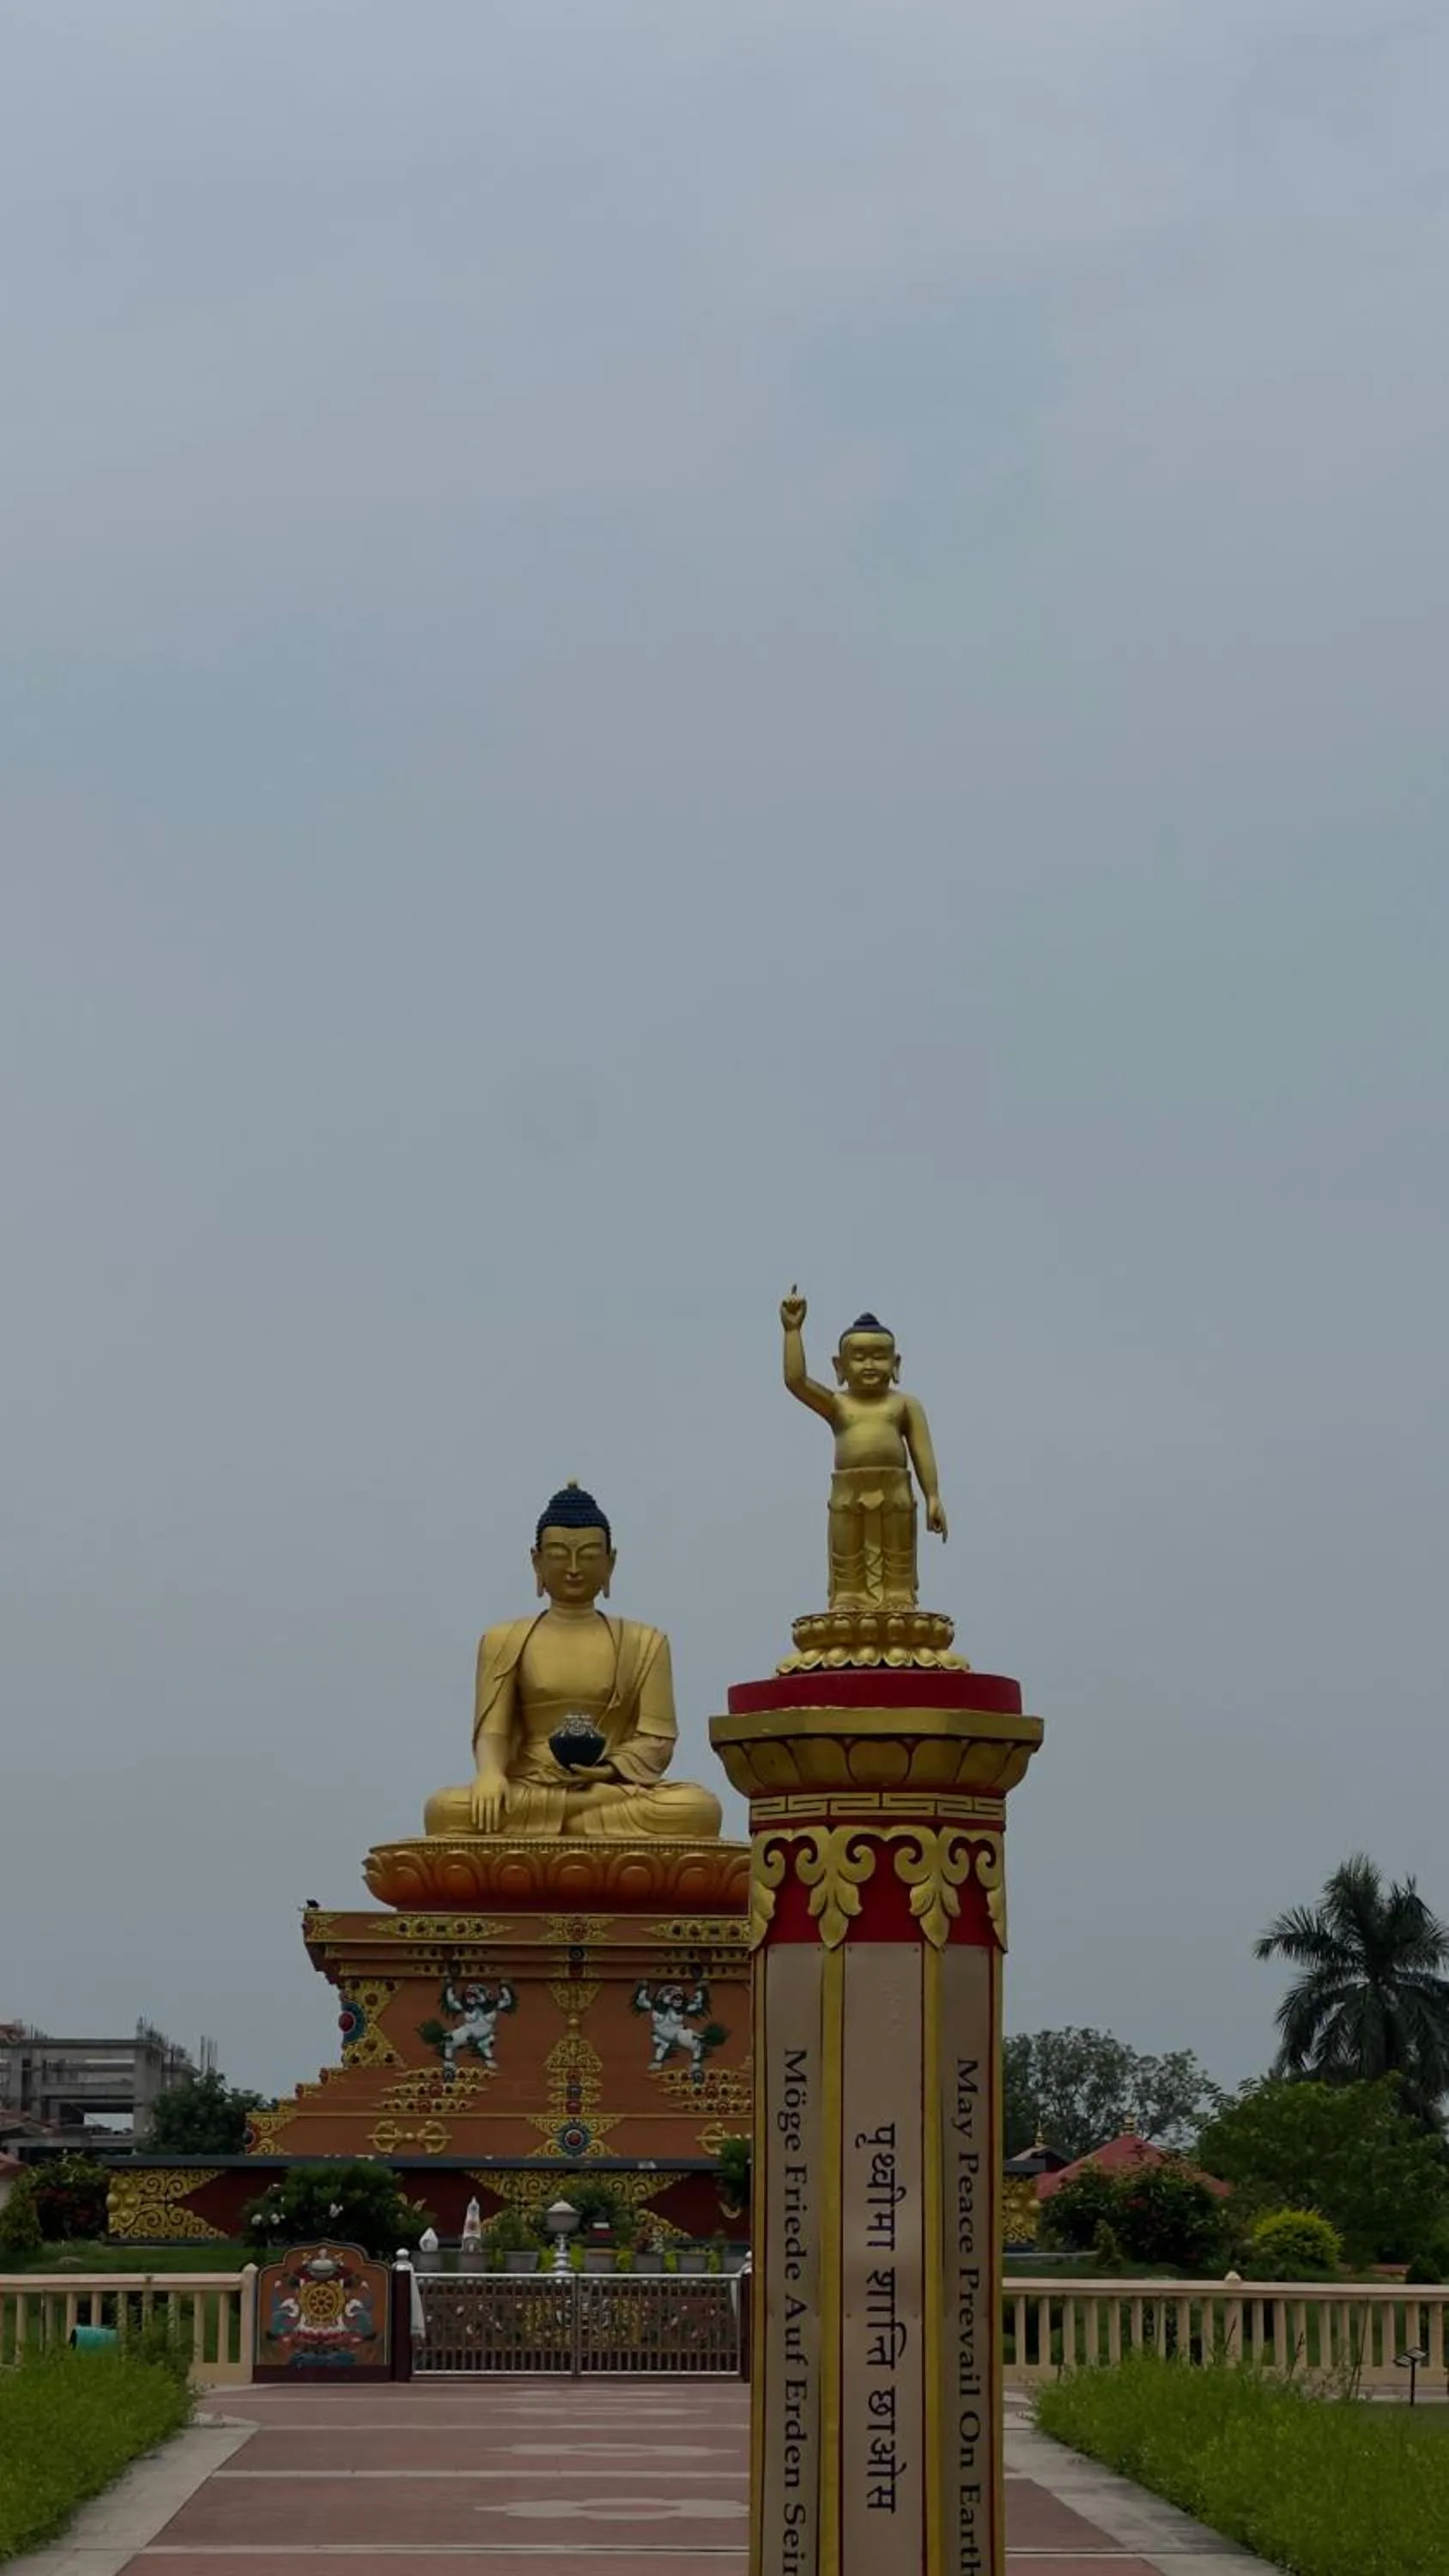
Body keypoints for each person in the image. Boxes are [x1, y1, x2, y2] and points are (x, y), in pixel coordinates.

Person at [424, 1484, 723, 1840]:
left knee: (697, 1808)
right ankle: (577, 1823)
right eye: (559, 1554)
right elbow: (493, 1730)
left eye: (589, 1554)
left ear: (610, 1562)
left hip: (610, 1789)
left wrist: (607, 1770)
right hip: (529, 1788)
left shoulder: (646, 1641)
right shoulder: (503, 1640)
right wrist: (490, 1775)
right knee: (445, 1810)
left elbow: (657, 1740)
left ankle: (564, 1823)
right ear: (536, 1561)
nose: (574, 1567)